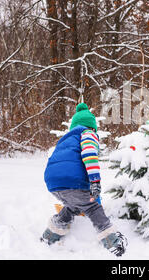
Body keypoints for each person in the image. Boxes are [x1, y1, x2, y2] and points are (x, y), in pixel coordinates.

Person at [41, 102, 127, 256]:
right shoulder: (87, 133)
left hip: (53, 182)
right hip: (72, 181)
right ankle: (112, 242)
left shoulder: (65, 140)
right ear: (92, 127)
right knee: (92, 207)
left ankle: (50, 235)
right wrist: (95, 181)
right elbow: (89, 154)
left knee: (73, 206)